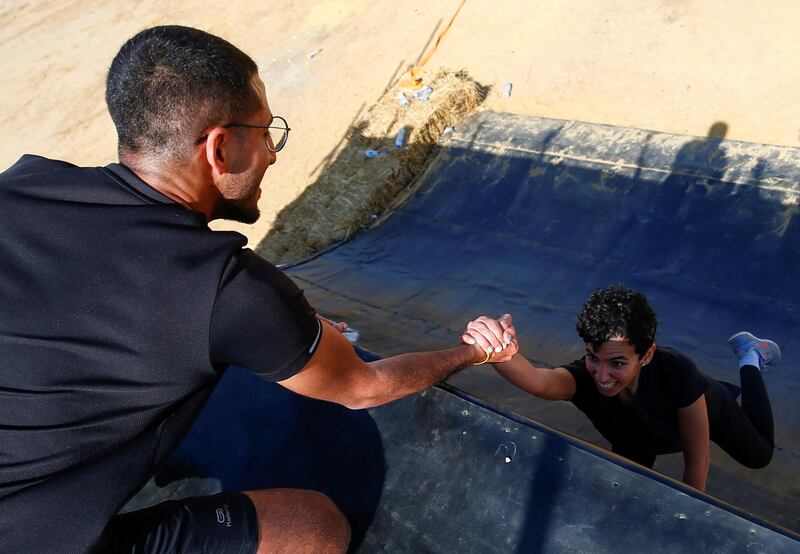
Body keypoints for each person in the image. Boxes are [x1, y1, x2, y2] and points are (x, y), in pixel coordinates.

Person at [0, 26, 517, 554]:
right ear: (220, 147)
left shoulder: (17, 185)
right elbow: (364, 388)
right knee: (314, 527)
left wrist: (277, 333)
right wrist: (470, 351)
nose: (271, 153)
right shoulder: (225, 286)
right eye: (266, 133)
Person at [461, 285, 779, 492]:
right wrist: (493, 348)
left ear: (647, 354)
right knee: (628, 488)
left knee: (759, 456)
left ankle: (751, 357)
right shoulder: (585, 380)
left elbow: (696, 465)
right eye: (592, 357)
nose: (601, 375)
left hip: (704, 413)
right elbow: (540, 382)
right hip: (638, 436)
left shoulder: (675, 370)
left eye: (617, 363)